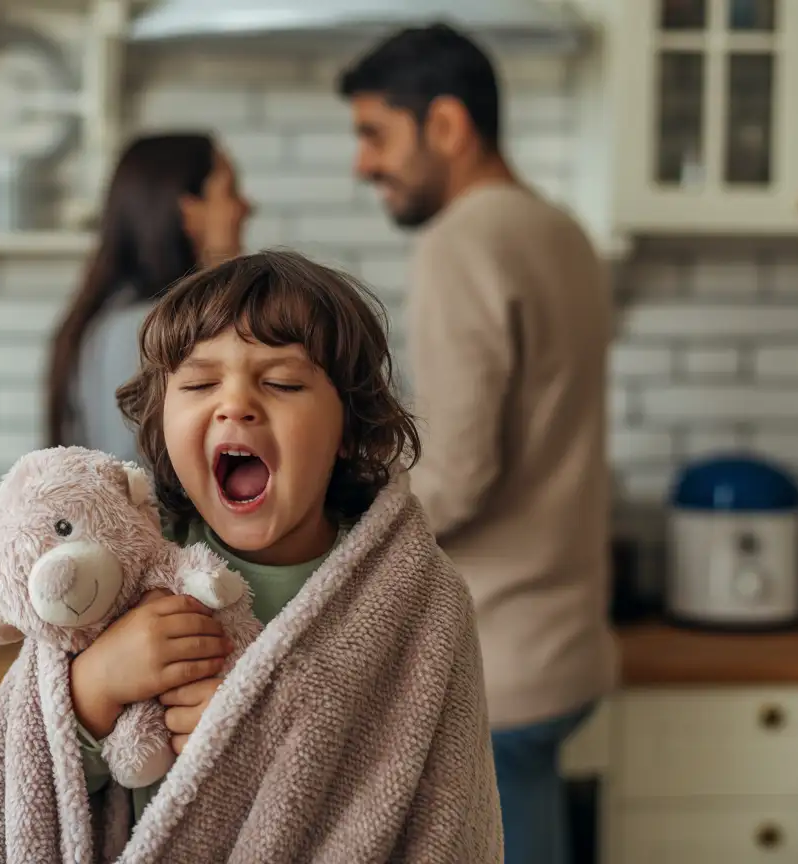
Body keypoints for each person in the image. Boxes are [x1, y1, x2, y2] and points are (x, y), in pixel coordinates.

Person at [68, 250, 503, 860]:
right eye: (198, 383)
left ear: (350, 425)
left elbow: (440, 811)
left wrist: (257, 737)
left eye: (282, 383)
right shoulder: (115, 576)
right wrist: (93, 689)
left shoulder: (421, 599)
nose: (236, 405)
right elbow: (28, 779)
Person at [338, 23, 618, 864]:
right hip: (562, 641)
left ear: (448, 127)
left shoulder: (464, 240)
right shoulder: (559, 231)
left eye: (375, 134)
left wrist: (337, 537)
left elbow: (459, 473)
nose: (364, 164)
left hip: (500, 653)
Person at [46, 132, 252, 459]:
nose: (246, 207)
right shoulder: (140, 329)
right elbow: (139, 476)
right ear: (187, 211)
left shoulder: (138, 321)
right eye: (229, 192)